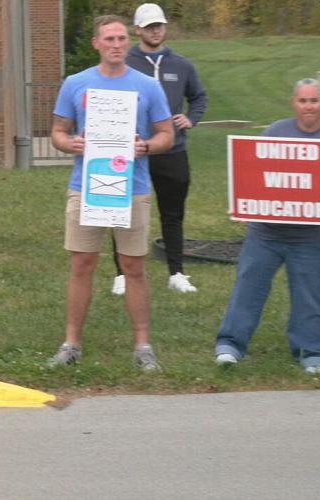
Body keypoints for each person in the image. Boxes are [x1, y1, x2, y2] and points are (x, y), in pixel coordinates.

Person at [47, 15, 174, 371]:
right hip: (85, 187)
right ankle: (71, 343)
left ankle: (142, 345)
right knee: (82, 264)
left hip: (132, 189)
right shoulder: (76, 83)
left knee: (134, 267)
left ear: (127, 42)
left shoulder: (147, 86)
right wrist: (71, 144)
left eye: (121, 39)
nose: (116, 45)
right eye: (109, 39)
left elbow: (167, 134)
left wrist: (145, 147)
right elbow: (58, 130)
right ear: (96, 44)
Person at [213, 79, 320, 374]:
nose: (309, 107)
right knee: (248, 287)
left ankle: (311, 352)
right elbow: (255, 174)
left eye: (314, 101)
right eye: (303, 101)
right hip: (266, 234)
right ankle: (230, 344)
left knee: (311, 294)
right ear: (294, 103)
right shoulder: (275, 132)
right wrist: (248, 203)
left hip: (313, 236)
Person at [110, 3, 208, 296]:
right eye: (149, 26)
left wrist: (191, 118)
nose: (155, 30)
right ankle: (121, 274)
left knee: (173, 213)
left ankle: (176, 272)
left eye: (159, 25)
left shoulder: (182, 65)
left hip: (172, 150)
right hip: (131, 152)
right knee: (122, 212)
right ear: (137, 29)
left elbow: (199, 96)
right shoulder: (125, 62)